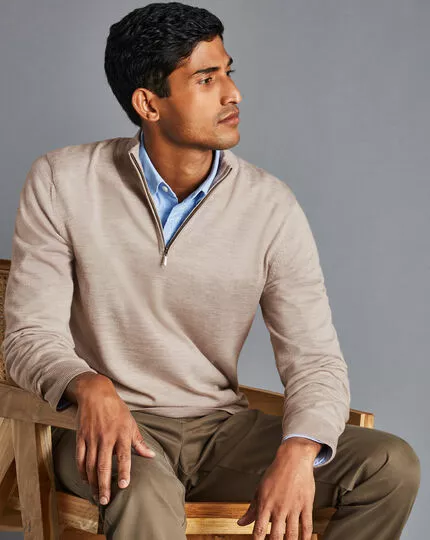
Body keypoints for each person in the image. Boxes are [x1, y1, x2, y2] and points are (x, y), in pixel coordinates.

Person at [2, 2, 420, 539]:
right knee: (141, 491)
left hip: (222, 432)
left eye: (228, 72)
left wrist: (300, 448)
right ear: (148, 104)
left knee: (389, 466)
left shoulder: (271, 206)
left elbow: (314, 358)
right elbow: (29, 337)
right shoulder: (62, 180)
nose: (233, 93)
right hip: (108, 427)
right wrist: (90, 386)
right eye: (206, 79)